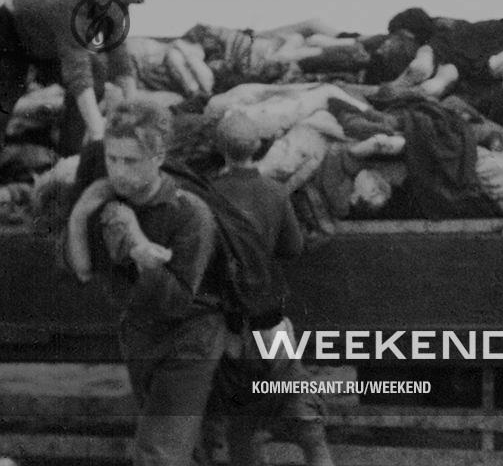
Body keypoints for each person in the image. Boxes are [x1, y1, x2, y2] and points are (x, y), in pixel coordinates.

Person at [67, 99, 227, 465]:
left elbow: (177, 301)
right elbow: (82, 271)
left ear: (158, 158)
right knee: (180, 449)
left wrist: (139, 245)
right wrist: (80, 214)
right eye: (113, 159)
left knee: (157, 453)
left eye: (131, 161)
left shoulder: (190, 213)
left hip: (190, 338)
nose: (119, 172)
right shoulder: (105, 197)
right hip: (140, 337)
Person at [203, 111, 335, 466]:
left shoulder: (209, 194)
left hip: (227, 325)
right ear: (258, 146)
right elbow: (292, 248)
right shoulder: (274, 192)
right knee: (299, 404)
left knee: (241, 419)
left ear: (220, 147)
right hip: (268, 319)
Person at [0, 0, 144, 154]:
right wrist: (98, 132)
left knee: (97, 73)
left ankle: (70, 153)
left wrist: (135, 112)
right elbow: (78, 74)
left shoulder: (114, 12)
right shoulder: (71, 12)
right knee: (6, 94)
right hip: (11, 31)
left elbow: (120, 58)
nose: (125, 10)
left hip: (47, 41)